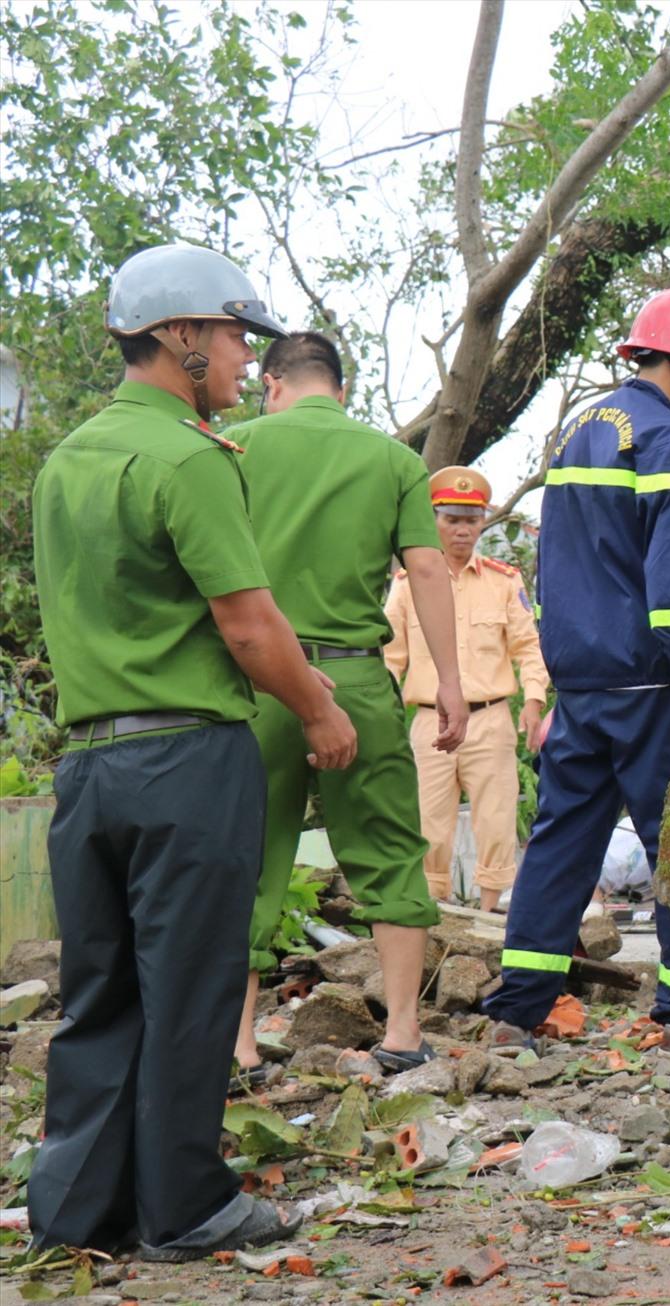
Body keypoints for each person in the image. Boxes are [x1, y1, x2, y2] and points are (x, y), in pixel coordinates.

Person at [28, 244, 357, 1259]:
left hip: (86, 767)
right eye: (230, 334)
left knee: (102, 992)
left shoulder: (65, 462)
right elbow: (251, 629)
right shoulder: (191, 458)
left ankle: (77, 1209)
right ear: (180, 336)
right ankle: (186, 1208)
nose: (240, 357)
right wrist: (319, 709)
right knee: (190, 987)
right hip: (186, 763)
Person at [482, 287, 670, 1055]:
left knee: (562, 843)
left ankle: (516, 1009)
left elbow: (556, 562)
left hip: (585, 688)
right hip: (652, 687)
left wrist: (564, 680)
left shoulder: (577, 428)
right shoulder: (667, 440)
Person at [228, 331, 468, 1079]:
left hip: (255, 683)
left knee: (245, 859)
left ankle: (236, 1046)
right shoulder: (393, 459)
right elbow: (426, 570)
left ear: (272, 384)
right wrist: (449, 684)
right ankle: (400, 1034)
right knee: (390, 851)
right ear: (340, 389)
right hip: (356, 682)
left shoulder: (231, 449)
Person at [383, 466, 549, 913]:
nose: (461, 530)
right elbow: (389, 657)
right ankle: (434, 912)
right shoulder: (407, 585)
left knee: (495, 819)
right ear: (433, 518)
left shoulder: (503, 581)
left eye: (471, 520)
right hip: (427, 720)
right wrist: (378, 719)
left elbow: (529, 647)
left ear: (483, 523)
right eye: (451, 519)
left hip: (490, 718)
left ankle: (490, 911)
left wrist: (533, 700)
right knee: (427, 823)